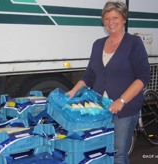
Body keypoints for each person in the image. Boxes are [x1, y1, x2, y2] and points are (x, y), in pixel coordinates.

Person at [67, 1, 150, 164]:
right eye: (107, 18)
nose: (111, 22)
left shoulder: (134, 43)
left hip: (124, 109)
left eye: (115, 17)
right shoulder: (98, 44)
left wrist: (122, 100)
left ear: (124, 19)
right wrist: (73, 91)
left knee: (118, 154)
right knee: (100, 151)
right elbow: (89, 74)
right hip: (100, 109)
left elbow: (143, 77)